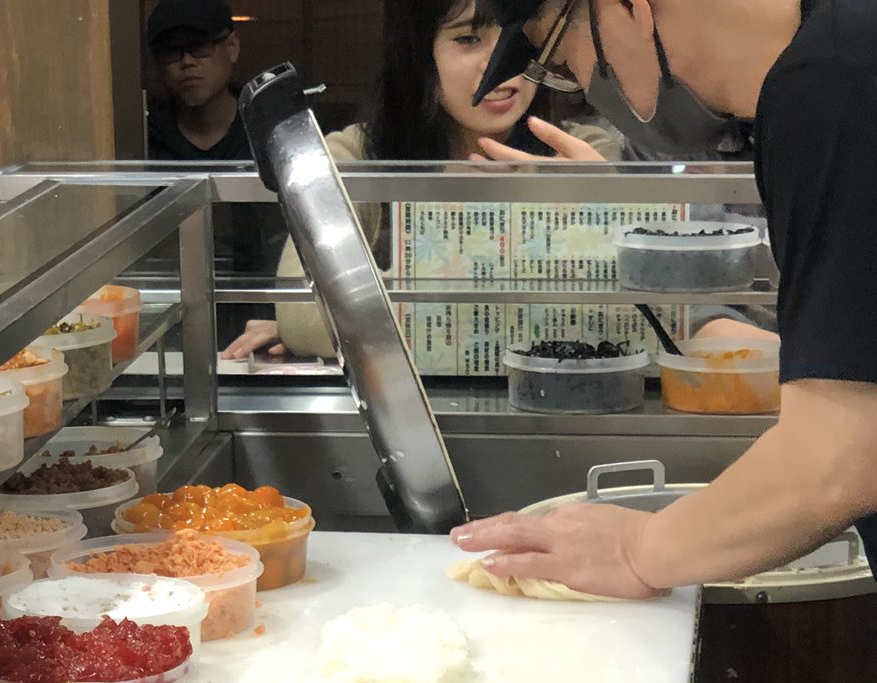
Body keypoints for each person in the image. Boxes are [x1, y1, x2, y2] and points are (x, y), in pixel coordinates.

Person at [449, 0, 877, 588]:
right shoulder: (831, 60)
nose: (586, 88)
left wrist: (637, 549)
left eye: (560, 60)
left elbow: (840, 457)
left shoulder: (833, 84)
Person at [221, 0, 617, 362]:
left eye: (522, 37)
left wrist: (355, 324)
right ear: (417, 53)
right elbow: (304, 318)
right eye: (468, 39)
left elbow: (630, 323)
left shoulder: (583, 152)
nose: (503, 63)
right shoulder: (355, 155)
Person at [146, 0, 248, 161]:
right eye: (171, 50)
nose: (187, 61)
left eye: (200, 45)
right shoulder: (143, 141)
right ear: (157, 63)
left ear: (232, 47)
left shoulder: (267, 133)